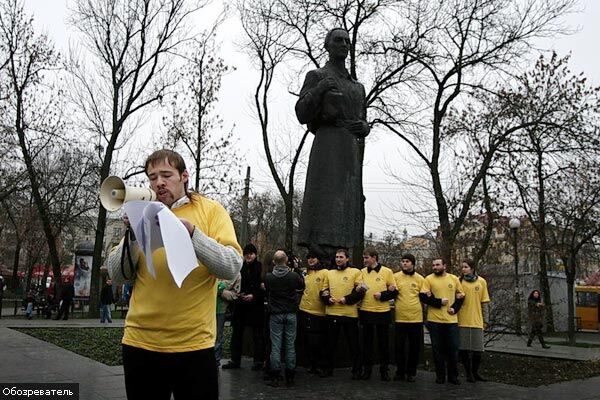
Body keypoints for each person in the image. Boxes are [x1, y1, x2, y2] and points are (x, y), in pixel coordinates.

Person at [107, 149, 243, 400]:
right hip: (140, 343)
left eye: (166, 175)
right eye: (152, 177)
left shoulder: (211, 211)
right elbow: (119, 276)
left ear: (184, 176)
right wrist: (133, 235)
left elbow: (231, 266)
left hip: (194, 346)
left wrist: (193, 234)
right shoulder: (143, 213)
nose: (159, 182)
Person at [295, 28, 370, 262]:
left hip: (349, 150)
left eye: (348, 41)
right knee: (324, 198)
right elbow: (301, 113)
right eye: (338, 40)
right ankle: (319, 251)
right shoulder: (317, 76)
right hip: (326, 146)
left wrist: (364, 127)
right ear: (327, 45)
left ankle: (342, 254)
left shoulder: (357, 87)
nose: (344, 44)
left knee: (347, 202)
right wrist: (320, 89)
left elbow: (363, 118)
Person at [319, 249, 366, 379]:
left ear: (347, 259)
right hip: (332, 313)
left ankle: (357, 370)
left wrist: (347, 299)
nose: (338, 259)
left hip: (349, 314)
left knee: (354, 345)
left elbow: (361, 291)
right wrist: (327, 298)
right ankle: (327, 369)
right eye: (336, 257)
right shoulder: (329, 273)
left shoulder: (356, 272)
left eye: (341, 257)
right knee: (329, 344)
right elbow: (323, 291)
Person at [420, 258, 465, 385]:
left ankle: (453, 376)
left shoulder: (454, 279)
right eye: (433, 265)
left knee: (453, 349)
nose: (435, 267)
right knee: (437, 349)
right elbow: (423, 297)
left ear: (444, 266)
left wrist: (454, 308)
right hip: (434, 320)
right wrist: (438, 302)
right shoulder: (428, 279)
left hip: (451, 321)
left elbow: (461, 296)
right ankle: (440, 375)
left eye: (438, 265)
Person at [264, 250, 305, 387]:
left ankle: (275, 376)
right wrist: (297, 268)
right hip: (291, 313)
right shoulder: (293, 276)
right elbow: (302, 285)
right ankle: (290, 376)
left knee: (275, 345)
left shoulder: (269, 277)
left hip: (275, 314)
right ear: (286, 260)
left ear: (274, 262)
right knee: (290, 345)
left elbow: (268, 290)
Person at [223, 243, 266, 371]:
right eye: (246, 254)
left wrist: (254, 296)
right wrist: (239, 295)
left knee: (257, 335)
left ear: (255, 255)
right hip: (241, 304)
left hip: (255, 305)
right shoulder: (240, 267)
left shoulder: (260, 268)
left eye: (251, 254)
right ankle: (235, 359)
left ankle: (258, 361)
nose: (248, 256)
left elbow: (263, 287)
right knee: (237, 333)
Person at [359, 247, 397, 381]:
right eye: (364, 258)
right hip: (366, 310)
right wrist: (359, 290)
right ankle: (367, 370)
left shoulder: (387, 272)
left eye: (366, 258)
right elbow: (358, 290)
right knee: (367, 343)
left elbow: (394, 291)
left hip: (383, 312)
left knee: (383, 343)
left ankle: (384, 370)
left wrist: (383, 295)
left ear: (374, 257)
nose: (364, 260)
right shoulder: (362, 272)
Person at [392, 253, 425, 383]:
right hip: (400, 318)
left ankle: (411, 372)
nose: (404, 263)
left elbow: (425, 297)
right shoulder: (395, 277)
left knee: (414, 347)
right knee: (399, 347)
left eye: (407, 261)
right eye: (403, 261)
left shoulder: (420, 279)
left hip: (416, 318)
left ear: (413, 263)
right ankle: (400, 371)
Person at [457, 260, 490, 383]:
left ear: (472, 268)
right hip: (462, 320)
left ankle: (475, 372)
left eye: (466, 267)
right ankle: (468, 373)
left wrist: (486, 320)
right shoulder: (458, 282)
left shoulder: (481, 282)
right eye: (462, 267)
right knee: (464, 349)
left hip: (477, 320)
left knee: (477, 350)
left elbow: (485, 302)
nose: (463, 269)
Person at [298, 252, 329, 375]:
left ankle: (317, 364)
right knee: (305, 340)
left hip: (318, 312)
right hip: (303, 309)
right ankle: (310, 363)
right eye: (309, 258)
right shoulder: (306, 273)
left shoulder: (325, 273)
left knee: (316, 341)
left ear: (318, 259)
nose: (310, 260)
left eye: (313, 258)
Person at [215, 274, 240, 368]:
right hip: (208, 307)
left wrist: (218, 289)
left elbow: (235, 294)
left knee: (218, 336)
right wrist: (222, 290)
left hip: (221, 308)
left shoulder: (235, 273)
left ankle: (215, 361)